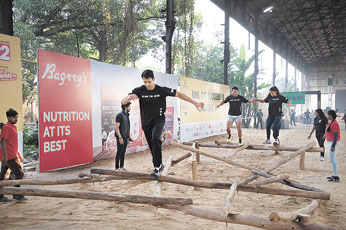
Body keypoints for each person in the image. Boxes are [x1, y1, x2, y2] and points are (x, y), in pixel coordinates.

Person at [121, 69, 204, 177]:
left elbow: (179, 94)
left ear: (154, 79)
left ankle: (156, 167)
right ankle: (159, 165)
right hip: (146, 122)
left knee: (155, 138)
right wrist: (129, 97)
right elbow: (123, 102)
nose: (147, 84)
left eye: (149, 82)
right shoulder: (139, 90)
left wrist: (195, 102)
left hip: (158, 120)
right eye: (145, 82)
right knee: (152, 145)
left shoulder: (162, 90)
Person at [0, 109, 27, 202]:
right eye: (14, 117)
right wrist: (5, 157)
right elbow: (2, 141)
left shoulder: (13, 127)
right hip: (9, 156)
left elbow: (12, 143)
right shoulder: (6, 127)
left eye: (17, 117)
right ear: (9, 117)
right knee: (20, 173)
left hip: (11, 154)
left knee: (3, 176)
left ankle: (0, 196)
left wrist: (19, 154)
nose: (16, 119)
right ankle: (17, 194)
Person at [114, 102, 132, 171]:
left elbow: (127, 127)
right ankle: (117, 168)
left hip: (125, 137)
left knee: (123, 152)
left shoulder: (126, 115)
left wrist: (129, 136)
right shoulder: (119, 115)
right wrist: (120, 137)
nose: (130, 108)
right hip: (121, 137)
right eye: (129, 107)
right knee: (119, 152)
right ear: (126, 107)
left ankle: (121, 167)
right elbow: (116, 127)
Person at [325, 110, 341, 182]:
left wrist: (333, 145)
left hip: (333, 142)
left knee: (332, 159)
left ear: (330, 115)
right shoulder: (331, 122)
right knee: (333, 159)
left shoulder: (335, 123)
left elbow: (336, 135)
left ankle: (336, 176)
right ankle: (335, 174)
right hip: (330, 142)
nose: (327, 116)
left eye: (328, 115)